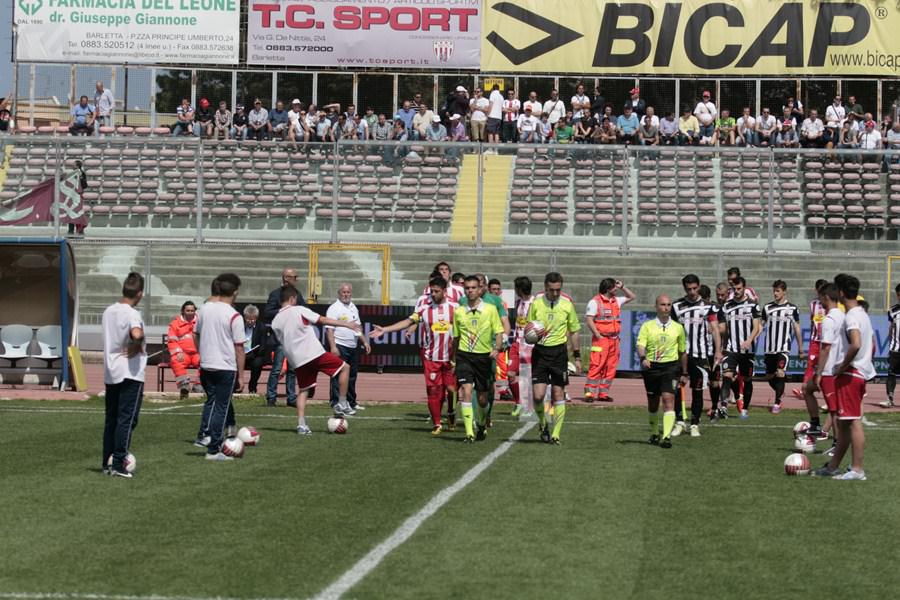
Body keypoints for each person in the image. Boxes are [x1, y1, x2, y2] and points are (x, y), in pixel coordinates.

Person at [371, 276, 457, 435]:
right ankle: (437, 423)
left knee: (451, 390)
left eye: (437, 291)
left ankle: (451, 412)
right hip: (431, 357)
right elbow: (408, 322)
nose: (433, 294)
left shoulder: (456, 308)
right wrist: (385, 329)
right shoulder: (424, 309)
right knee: (433, 391)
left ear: (445, 291)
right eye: (432, 291)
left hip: (451, 358)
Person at [272, 285, 360, 435]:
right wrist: (347, 324)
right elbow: (323, 320)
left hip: (297, 359)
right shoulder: (299, 310)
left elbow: (282, 342)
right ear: (292, 299)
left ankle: (301, 425)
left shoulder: (275, 321)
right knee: (345, 368)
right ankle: (342, 403)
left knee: (303, 390)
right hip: (313, 353)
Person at [813, 275, 874, 480]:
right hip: (858, 372)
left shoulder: (851, 317)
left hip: (851, 374)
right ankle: (832, 466)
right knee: (845, 424)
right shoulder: (862, 314)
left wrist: (842, 366)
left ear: (840, 292)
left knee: (853, 422)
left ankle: (857, 470)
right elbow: (870, 344)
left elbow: (855, 343)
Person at [194, 274, 245, 461]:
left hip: (206, 365)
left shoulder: (204, 310)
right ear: (235, 292)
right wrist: (241, 375)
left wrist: (202, 352)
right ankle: (214, 449)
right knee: (221, 408)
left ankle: (206, 436)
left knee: (212, 403)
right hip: (225, 366)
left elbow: (196, 334)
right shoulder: (234, 315)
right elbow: (239, 348)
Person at [101, 272, 147, 478]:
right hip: (130, 372)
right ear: (139, 294)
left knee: (112, 419)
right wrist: (136, 344)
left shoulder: (108, 311)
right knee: (127, 419)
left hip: (111, 371)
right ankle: (119, 463)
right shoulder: (132, 314)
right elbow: (136, 333)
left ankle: (107, 462)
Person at [527, 272, 581, 445]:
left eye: (558, 290)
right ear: (545, 287)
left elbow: (574, 330)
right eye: (552, 290)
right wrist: (532, 334)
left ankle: (556, 434)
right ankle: (543, 425)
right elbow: (528, 329)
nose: (555, 293)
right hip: (540, 353)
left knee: (558, 394)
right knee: (538, 396)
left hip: (559, 353)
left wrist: (577, 356)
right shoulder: (536, 304)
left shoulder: (567, 305)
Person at [452, 275, 504, 443]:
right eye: (467, 288)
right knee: (466, 391)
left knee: (482, 398)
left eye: (473, 287)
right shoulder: (459, 311)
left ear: (480, 289)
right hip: (464, 355)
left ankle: (481, 424)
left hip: (484, 357)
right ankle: (469, 433)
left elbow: (498, 331)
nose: (470, 291)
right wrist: (454, 358)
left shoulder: (490, 309)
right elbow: (456, 337)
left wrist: (497, 348)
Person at [671, 275, 722, 438]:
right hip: (681, 355)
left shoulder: (709, 306)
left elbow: (715, 329)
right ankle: (679, 422)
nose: (692, 292)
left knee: (698, 390)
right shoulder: (677, 306)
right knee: (677, 388)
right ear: (684, 288)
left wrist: (718, 351)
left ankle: (694, 424)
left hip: (701, 355)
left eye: (694, 288)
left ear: (699, 287)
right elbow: (673, 329)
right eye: (688, 289)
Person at [638, 295, 688, 448]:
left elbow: (682, 351)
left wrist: (684, 373)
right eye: (663, 305)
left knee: (668, 400)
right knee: (653, 404)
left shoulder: (678, 327)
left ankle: (666, 437)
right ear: (656, 306)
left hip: (670, 367)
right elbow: (640, 344)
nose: (666, 308)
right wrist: (643, 358)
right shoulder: (647, 326)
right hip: (652, 368)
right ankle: (654, 433)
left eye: (668, 305)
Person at [584, 278, 635, 402]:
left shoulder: (616, 301)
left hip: (614, 340)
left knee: (610, 367)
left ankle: (603, 394)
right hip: (601, 339)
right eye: (614, 287)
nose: (616, 289)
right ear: (607, 288)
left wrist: (623, 286)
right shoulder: (595, 302)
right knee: (596, 366)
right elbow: (589, 319)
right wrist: (597, 334)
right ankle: (589, 394)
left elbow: (632, 296)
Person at [718, 276, 762, 419]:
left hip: (747, 350)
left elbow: (757, 327)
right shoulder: (726, 306)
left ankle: (745, 409)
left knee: (747, 379)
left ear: (744, 288)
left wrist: (749, 340)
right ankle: (723, 406)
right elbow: (724, 329)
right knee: (727, 376)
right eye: (735, 289)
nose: (737, 291)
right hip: (732, 348)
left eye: (739, 289)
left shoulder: (753, 305)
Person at [263, 268, 304, 407]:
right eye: (294, 277)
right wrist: (284, 310)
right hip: (281, 337)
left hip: (294, 338)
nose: (296, 279)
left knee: (293, 369)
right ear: (286, 278)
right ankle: (271, 397)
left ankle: (291, 398)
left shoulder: (297, 294)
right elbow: (267, 312)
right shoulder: (275, 294)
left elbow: (303, 309)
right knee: (277, 368)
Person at [326, 283, 369, 414]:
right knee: (338, 375)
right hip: (340, 345)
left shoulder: (353, 307)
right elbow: (329, 330)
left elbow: (358, 327)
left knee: (352, 376)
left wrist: (365, 341)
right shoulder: (334, 308)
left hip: (353, 346)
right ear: (339, 293)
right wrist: (333, 347)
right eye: (344, 292)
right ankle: (335, 402)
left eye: (348, 292)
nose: (346, 294)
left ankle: (351, 402)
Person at [761, 280, 804, 414]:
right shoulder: (767, 308)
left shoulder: (792, 309)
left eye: (778, 291)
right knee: (769, 376)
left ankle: (777, 402)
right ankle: (781, 392)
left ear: (784, 291)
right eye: (774, 291)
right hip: (769, 348)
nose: (775, 293)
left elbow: (797, 328)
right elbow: (760, 326)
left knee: (780, 372)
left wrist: (801, 348)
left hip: (783, 347)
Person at [797, 280, 830, 437]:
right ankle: (807, 386)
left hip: (827, 343)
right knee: (810, 371)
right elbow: (812, 322)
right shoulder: (813, 305)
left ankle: (832, 435)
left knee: (826, 377)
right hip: (815, 342)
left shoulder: (834, 308)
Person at [510, 276, 535, 417]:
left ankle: (528, 407)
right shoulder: (517, 302)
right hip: (516, 343)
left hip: (528, 345)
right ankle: (518, 402)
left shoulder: (535, 303)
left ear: (520, 289)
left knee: (526, 377)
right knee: (510, 375)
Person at [167, 301, 200, 400]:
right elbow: (172, 340)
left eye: (192, 310)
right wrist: (178, 352)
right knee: (175, 360)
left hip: (197, 353)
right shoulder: (175, 323)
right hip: (183, 354)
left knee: (206, 362)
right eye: (188, 310)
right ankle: (184, 386)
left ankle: (199, 386)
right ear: (183, 311)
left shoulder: (200, 321)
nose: (190, 312)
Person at [881, 284, 900, 408]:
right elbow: (891, 327)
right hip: (896, 348)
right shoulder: (893, 310)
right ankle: (889, 398)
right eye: (898, 294)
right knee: (891, 373)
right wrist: (890, 344)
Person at [243, 305, 268, 395]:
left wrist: (251, 354)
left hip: (254, 354)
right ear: (244, 317)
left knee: (257, 363)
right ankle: (236, 386)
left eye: (252, 319)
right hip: (241, 354)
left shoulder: (262, 327)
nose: (250, 321)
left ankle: (252, 386)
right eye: (248, 319)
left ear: (256, 318)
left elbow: (262, 347)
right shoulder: (239, 326)